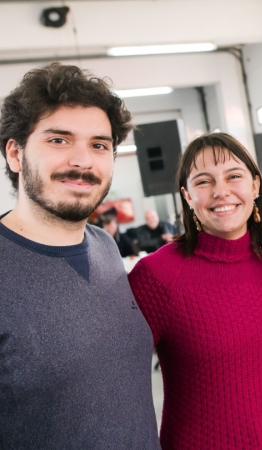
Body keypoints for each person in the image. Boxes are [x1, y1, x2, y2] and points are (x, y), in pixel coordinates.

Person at [0, 63, 159, 448]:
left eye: (99, 145)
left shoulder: (104, 246)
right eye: (59, 140)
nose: (83, 161)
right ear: (16, 155)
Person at [128, 133, 262, 449]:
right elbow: (116, 386)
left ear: (255, 186)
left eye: (234, 176)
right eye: (204, 182)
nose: (221, 192)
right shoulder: (158, 276)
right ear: (188, 196)